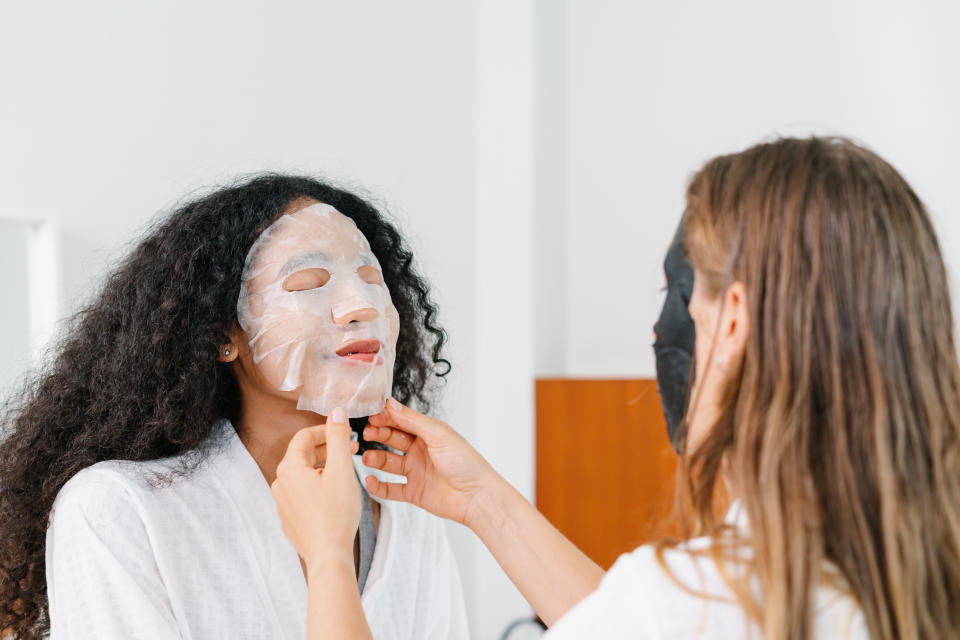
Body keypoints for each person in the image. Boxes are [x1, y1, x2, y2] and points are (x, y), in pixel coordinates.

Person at [272, 137, 960, 639]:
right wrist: (485, 503)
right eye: (308, 286)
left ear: (735, 320)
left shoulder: (702, 600)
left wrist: (330, 559)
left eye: (676, 296)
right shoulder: (911, 572)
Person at [0, 175, 468, 639]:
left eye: (371, 280)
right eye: (309, 283)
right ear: (224, 336)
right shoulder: (118, 511)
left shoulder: (407, 509)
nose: (361, 306)